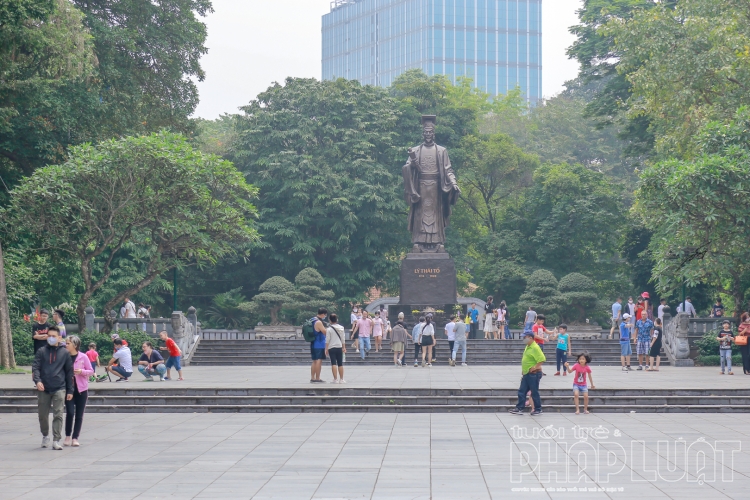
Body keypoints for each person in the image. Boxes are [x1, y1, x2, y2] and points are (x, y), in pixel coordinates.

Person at [32, 326, 73, 450]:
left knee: (58, 414)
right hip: (43, 388)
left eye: (53, 336)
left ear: (59, 337)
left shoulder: (65, 352)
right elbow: (36, 368)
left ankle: (56, 439)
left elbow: (69, 372)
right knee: (42, 415)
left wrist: (70, 390)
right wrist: (38, 381)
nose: (50, 338)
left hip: (59, 387)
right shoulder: (41, 351)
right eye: (49, 335)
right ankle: (45, 435)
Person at [63, 335, 93, 446]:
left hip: (81, 389)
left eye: (68, 343)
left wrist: (82, 371)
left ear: (75, 345)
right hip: (69, 389)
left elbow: (91, 371)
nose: (66, 345)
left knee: (79, 415)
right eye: (66, 343)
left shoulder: (83, 357)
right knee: (70, 413)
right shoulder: (64, 356)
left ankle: (75, 437)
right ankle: (67, 436)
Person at [508, 331, 545, 416]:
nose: (523, 339)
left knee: (534, 392)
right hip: (527, 373)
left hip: (534, 374)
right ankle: (519, 408)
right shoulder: (528, 346)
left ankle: (538, 409)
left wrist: (535, 367)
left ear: (531, 338)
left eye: (525, 337)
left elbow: (542, 359)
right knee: (522, 391)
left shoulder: (535, 347)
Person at [325, 313, 346, 383]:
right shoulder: (341, 328)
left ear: (330, 320)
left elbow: (327, 340)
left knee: (333, 363)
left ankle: (335, 379)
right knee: (340, 363)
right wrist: (344, 347)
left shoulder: (329, 329)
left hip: (331, 347)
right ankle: (342, 379)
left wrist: (326, 348)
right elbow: (343, 338)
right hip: (339, 347)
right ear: (337, 319)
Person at [310, 308, 328, 382]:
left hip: (313, 343)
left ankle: (312, 377)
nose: (325, 316)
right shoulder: (318, 322)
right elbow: (325, 332)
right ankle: (317, 378)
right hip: (319, 344)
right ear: (323, 314)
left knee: (314, 361)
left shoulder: (312, 319)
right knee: (318, 361)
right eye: (325, 315)